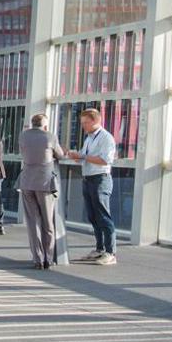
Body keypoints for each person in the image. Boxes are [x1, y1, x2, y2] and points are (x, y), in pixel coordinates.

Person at [67, 108, 118, 265]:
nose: (83, 126)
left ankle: (110, 252)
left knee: (103, 216)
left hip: (100, 179)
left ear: (96, 121)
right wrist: (76, 156)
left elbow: (105, 160)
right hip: (88, 179)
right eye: (82, 123)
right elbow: (85, 158)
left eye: (86, 123)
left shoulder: (106, 138)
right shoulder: (89, 138)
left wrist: (82, 156)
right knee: (93, 216)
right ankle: (99, 249)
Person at [18, 114, 66, 269]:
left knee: (33, 222)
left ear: (32, 124)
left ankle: (37, 259)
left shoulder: (23, 136)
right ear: (45, 126)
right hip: (45, 183)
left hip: (26, 182)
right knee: (47, 222)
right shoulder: (50, 136)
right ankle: (48, 258)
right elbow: (60, 155)